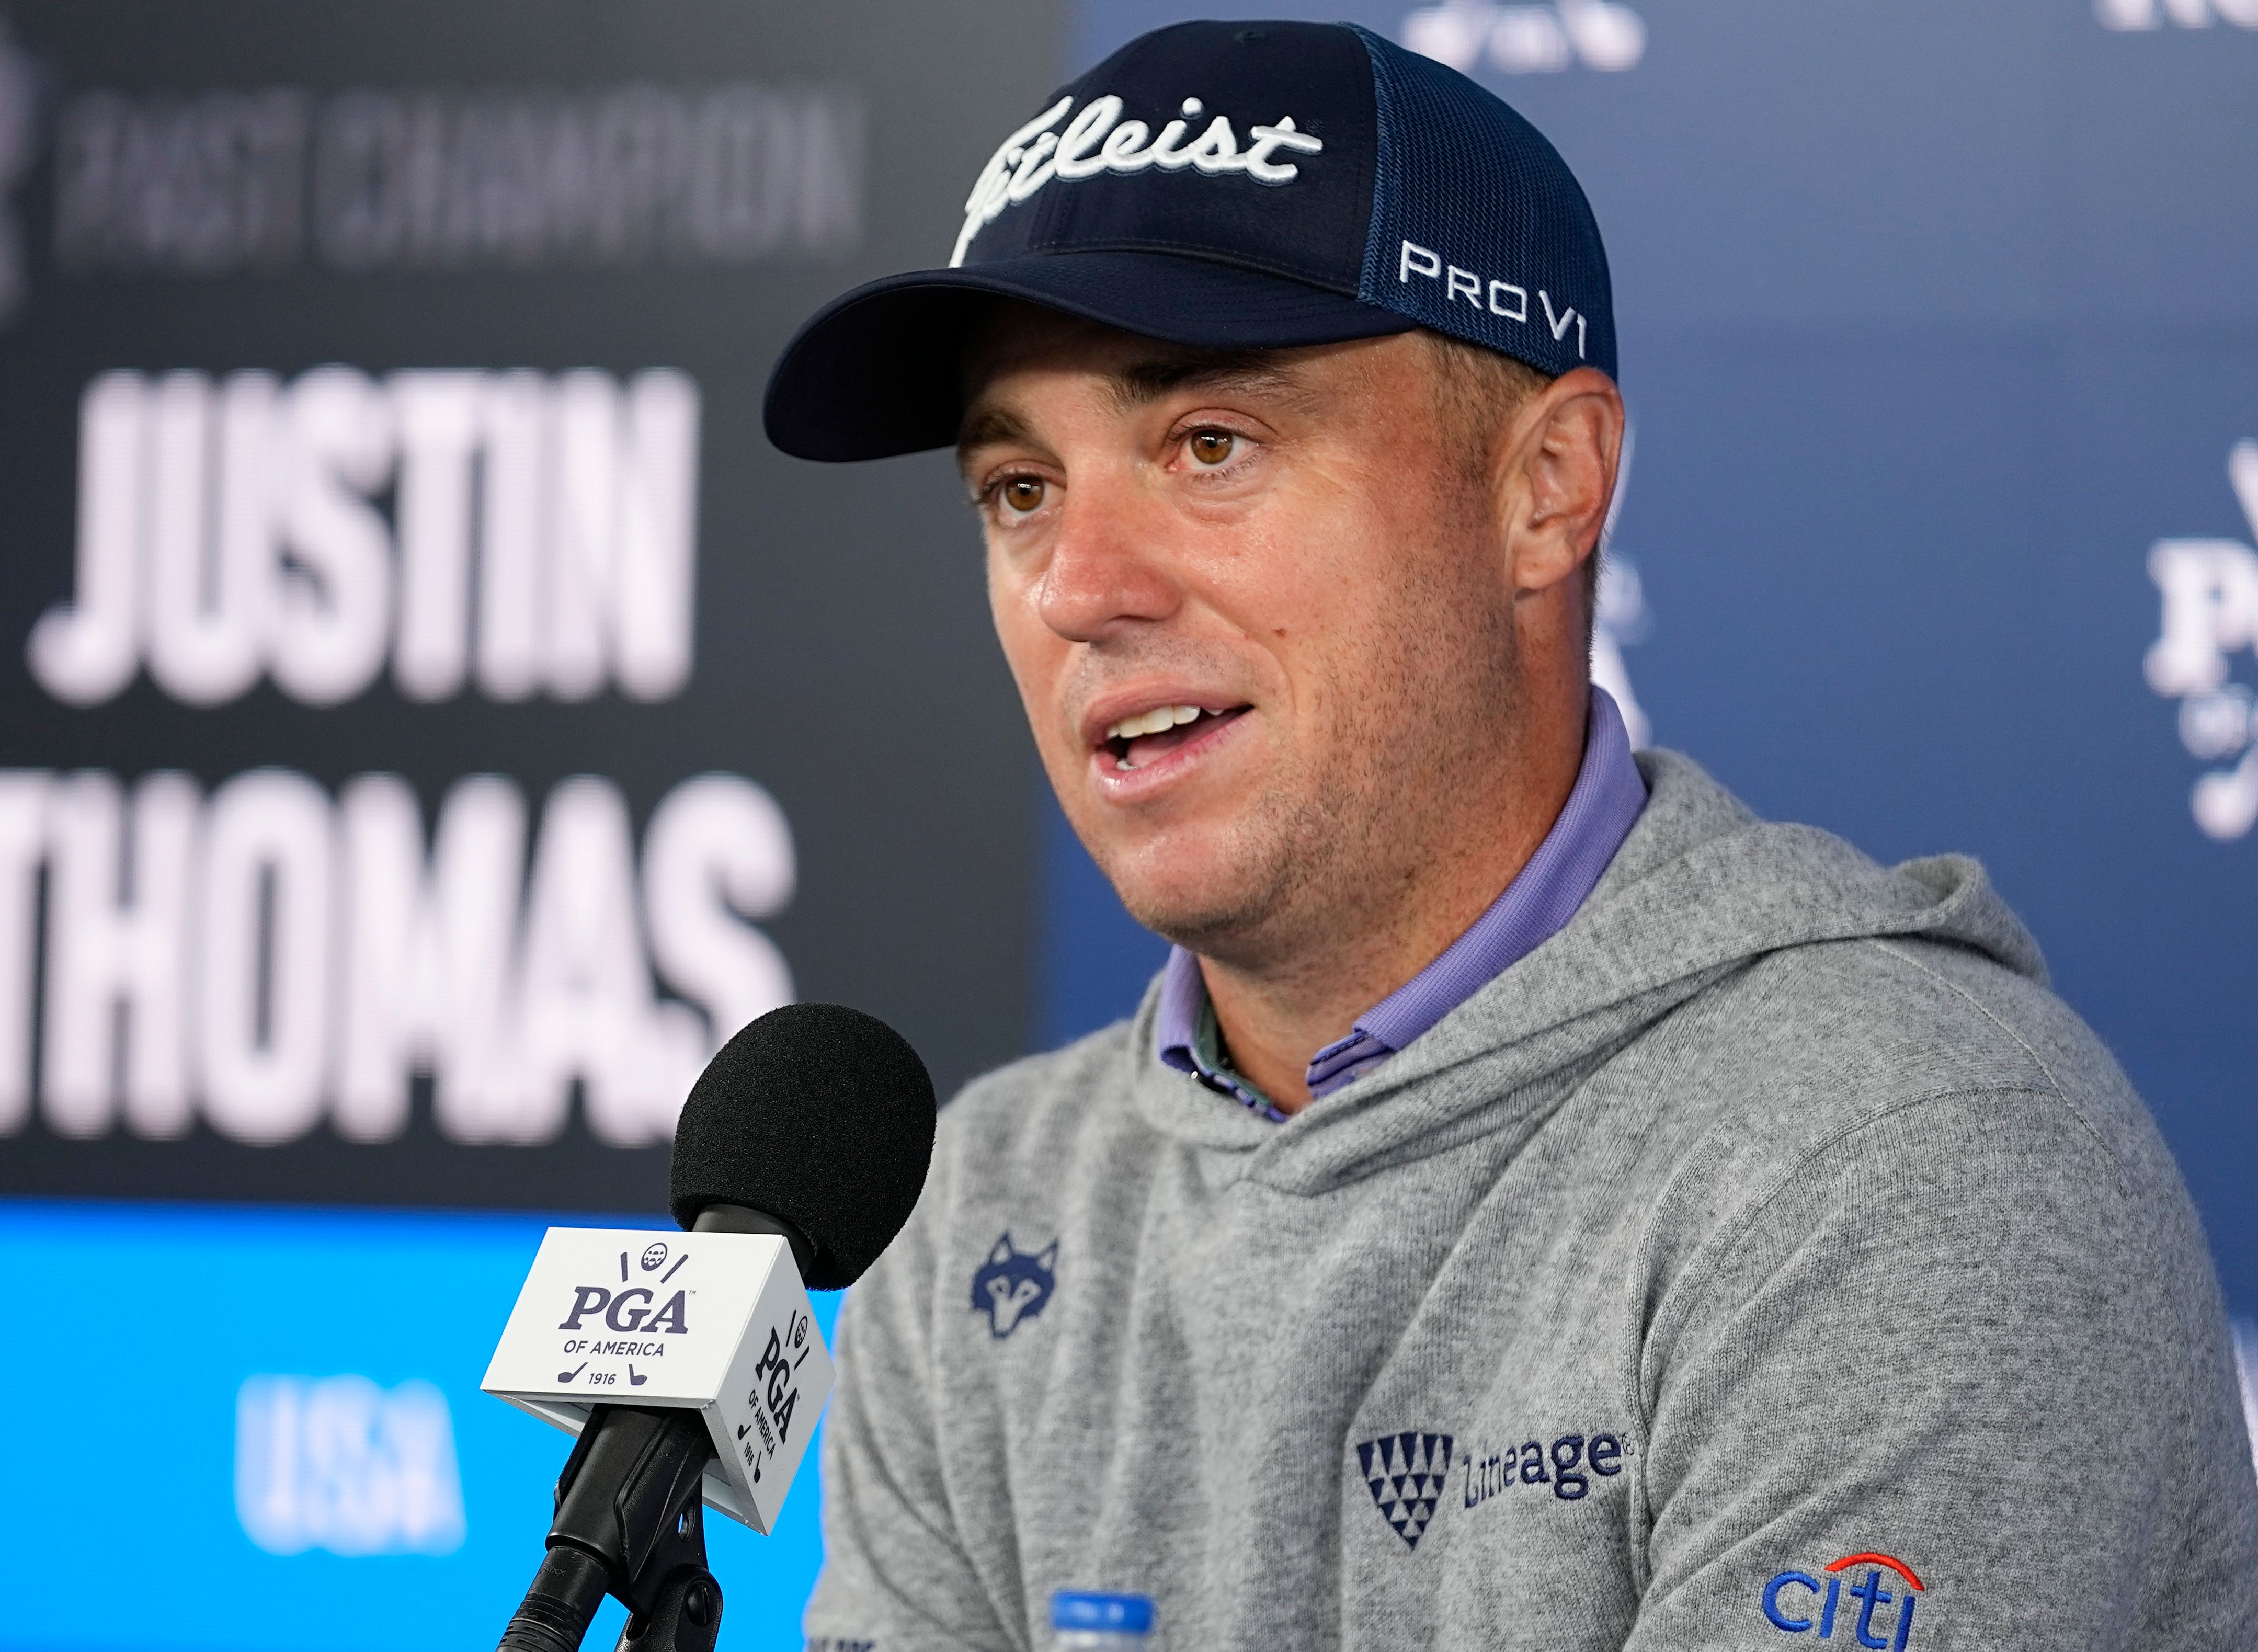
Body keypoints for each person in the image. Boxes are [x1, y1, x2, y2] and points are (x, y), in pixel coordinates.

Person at [761, 20, 2258, 1650]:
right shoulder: (988, 1198)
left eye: (1210, 446)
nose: (1078, 586)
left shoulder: (1901, 1162)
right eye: (1018, 489)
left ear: (1546, 486)